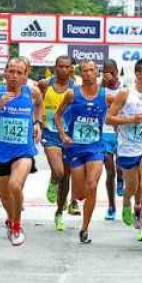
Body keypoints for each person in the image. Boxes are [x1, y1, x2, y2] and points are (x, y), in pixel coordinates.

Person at [0, 59, 41, 246]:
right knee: (3, 193)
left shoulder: (32, 92)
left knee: (15, 186)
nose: (14, 76)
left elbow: (39, 105)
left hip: (23, 151)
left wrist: (37, 123)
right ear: (5, 73)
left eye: (19, 72)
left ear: (26, 75)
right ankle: (11, 216)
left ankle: (17, 226)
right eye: (11, 71)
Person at [107, 58, 142, 244]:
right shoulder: (125, 94)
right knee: (132, 186)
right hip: (128, 148)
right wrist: (130, 120)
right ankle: (125, 201)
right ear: (138, 74)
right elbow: (109, 119)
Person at [55, 60, 109, 244]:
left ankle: (85, 228)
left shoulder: (105, 95)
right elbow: (57, 115)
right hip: (76, 148)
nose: (88, 74)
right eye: (84, 71)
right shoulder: (72, 94)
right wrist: (63, 135)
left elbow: (121, 110)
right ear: (80, 74)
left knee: (92, 185)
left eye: (91, 70)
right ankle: (76, 200)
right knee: (80, 194)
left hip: (96, 148)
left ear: (97, 73)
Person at [39, 55, 77, 231]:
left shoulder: (75, 89)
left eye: (67, 67)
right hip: (50, 134)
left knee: (67, 176)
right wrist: (37, 122)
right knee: (59, 171)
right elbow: (36, 103)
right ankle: (53, 181)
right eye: (60, 66)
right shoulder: (45, 84)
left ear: (71, 69)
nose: (63, 70)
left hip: (69, 136)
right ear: (55, 67)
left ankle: (59, 212)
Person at [100, 59, 122, 221]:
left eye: (112, 72)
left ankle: (122, 179)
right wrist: (102, 85)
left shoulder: (125, 88)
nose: (109, 75)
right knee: (110, 172)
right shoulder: (100, 89)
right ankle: (111, 206)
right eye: (106, 72)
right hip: (105, 133)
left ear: (117, 71)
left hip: (122, 132)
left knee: (121, 167)